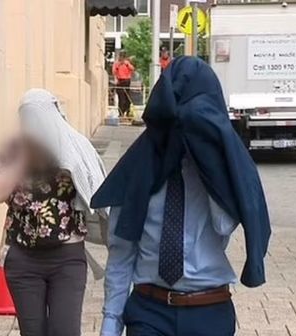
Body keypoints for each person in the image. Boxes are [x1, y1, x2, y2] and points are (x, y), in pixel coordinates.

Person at [92, 57, 272, 336]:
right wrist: (110, 324)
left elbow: (224, 225)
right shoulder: (140, 169)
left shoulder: (224, 168)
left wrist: (209, 164)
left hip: (209, 309)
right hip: (149, 310)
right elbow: (121, 251)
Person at [0, 89, 107, 336]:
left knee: (65, 331)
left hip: (67, 258)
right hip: (23, 259)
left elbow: (96, 189)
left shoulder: (75, 146)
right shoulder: (15, 151)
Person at [112, 51, 135, 117]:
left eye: (123, 56)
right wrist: (119, 65)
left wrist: (127, 64)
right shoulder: (116, 63)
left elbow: (132, 69)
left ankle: (127, 112)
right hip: (120, 81)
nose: (121, 58)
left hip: (127, 81)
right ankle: (121, 113)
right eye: (121, 56)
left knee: (127, 97)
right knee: (121, 98)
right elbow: (114, 72)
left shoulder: (127, 63)